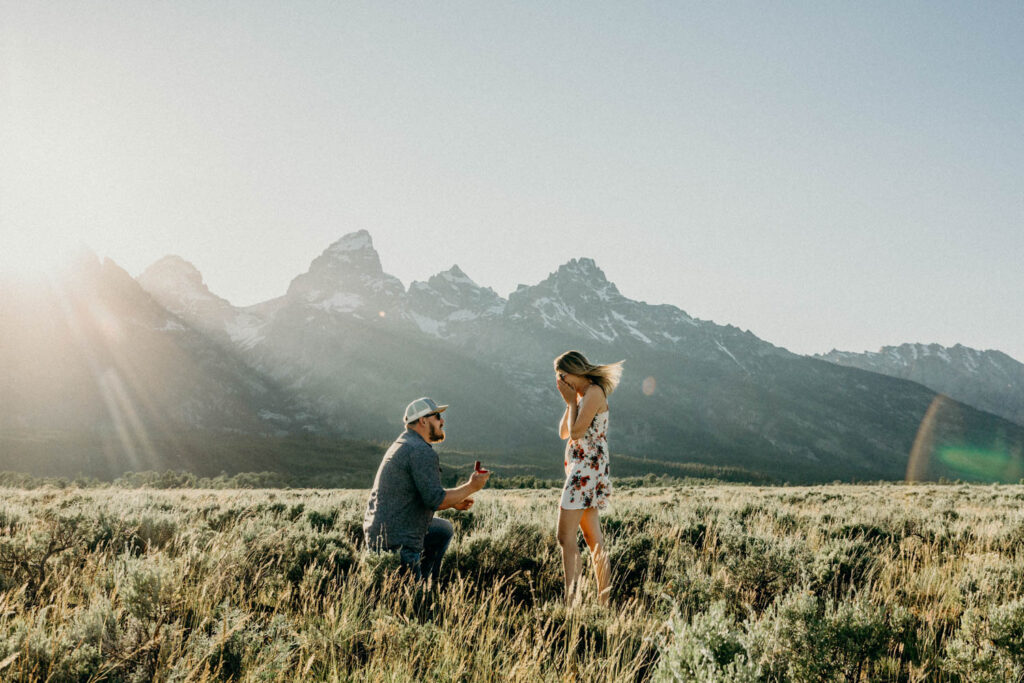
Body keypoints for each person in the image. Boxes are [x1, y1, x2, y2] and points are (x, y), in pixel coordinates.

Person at [363, 397, 490, 583]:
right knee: (415, 605)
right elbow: (435, 500)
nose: (442, 421)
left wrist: (454, 500)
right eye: (437, 416)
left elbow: (426, 493)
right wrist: (472, 486)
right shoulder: (420, 450)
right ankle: (420, 589)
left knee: (443, 529)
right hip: (399, 540)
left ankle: (427, 580)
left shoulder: (403, 444)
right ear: (423, 420)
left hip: (381, 532)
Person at [554, 350, 624, 606]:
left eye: (563, 375)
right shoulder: (584, 396)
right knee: (593, 540)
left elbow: (576, 431)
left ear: (574, 370)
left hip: (586, 471)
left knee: (565, 538)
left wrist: (573, 402)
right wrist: (570, 400)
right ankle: (601, 603)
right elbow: (563, 432)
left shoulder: (593, 392)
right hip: (583, 470)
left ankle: (572, 601)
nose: (560, 381)